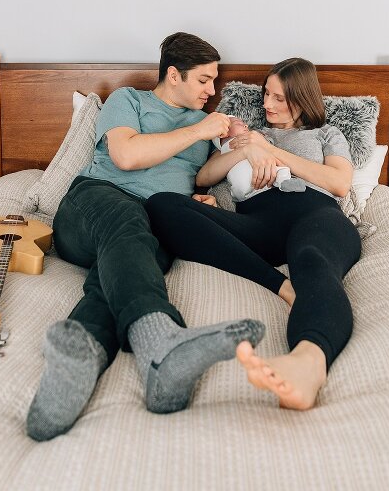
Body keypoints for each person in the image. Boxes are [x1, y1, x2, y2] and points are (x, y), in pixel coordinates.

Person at [26, 32, 265, 441]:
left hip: (154, 224)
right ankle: (161, 343)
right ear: (173, 75)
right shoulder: (129, 101)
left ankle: (78, 360)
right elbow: (127, 156)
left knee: (118, 271)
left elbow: (200, 175)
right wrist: (199, 131)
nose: (213, 90)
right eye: (204, 80)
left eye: (214, 81)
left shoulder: (203, 125)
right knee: (125, 219)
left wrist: (240, 153)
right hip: (95, 205)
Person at [146, 57, 360, 411]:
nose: (267, 105)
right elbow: (203, 178)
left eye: (279, 98)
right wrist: (247, 147)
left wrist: (270, 151)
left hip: (316, 214)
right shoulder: (242, 134)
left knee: (312, 261)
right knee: (162, 205)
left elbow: (339, 183)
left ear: (302, 97)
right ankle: (280, 285)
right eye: (266, 95)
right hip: (260, 223)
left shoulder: (326, 134)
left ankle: (308, 364)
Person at [213, 116, 305, 201]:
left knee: (279, 168)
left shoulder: (252, 138)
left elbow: (268, 148)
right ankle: (283, 180)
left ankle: (284, 182)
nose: (245, 125)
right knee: (280, 169)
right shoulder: (222, 152)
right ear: (222, 133)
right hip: (242, 185)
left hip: (260, 182)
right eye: (238, 123)